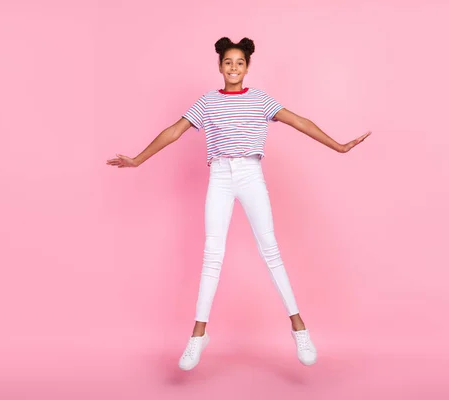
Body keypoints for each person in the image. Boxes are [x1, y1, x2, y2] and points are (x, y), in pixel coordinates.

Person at [106, 37, 371, 371]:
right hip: (219, 175)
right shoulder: (206, 102)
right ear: (219, 66)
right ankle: (198, 335)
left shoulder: (260, 100)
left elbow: (299, 121)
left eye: (239, 62)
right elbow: (174, 131)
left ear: (248, 67)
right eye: (228, 62)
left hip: (250, 174)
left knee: (270, 249)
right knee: (212, 254)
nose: (233, 67)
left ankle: (299, 326)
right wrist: (138, 160)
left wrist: (338, 146)